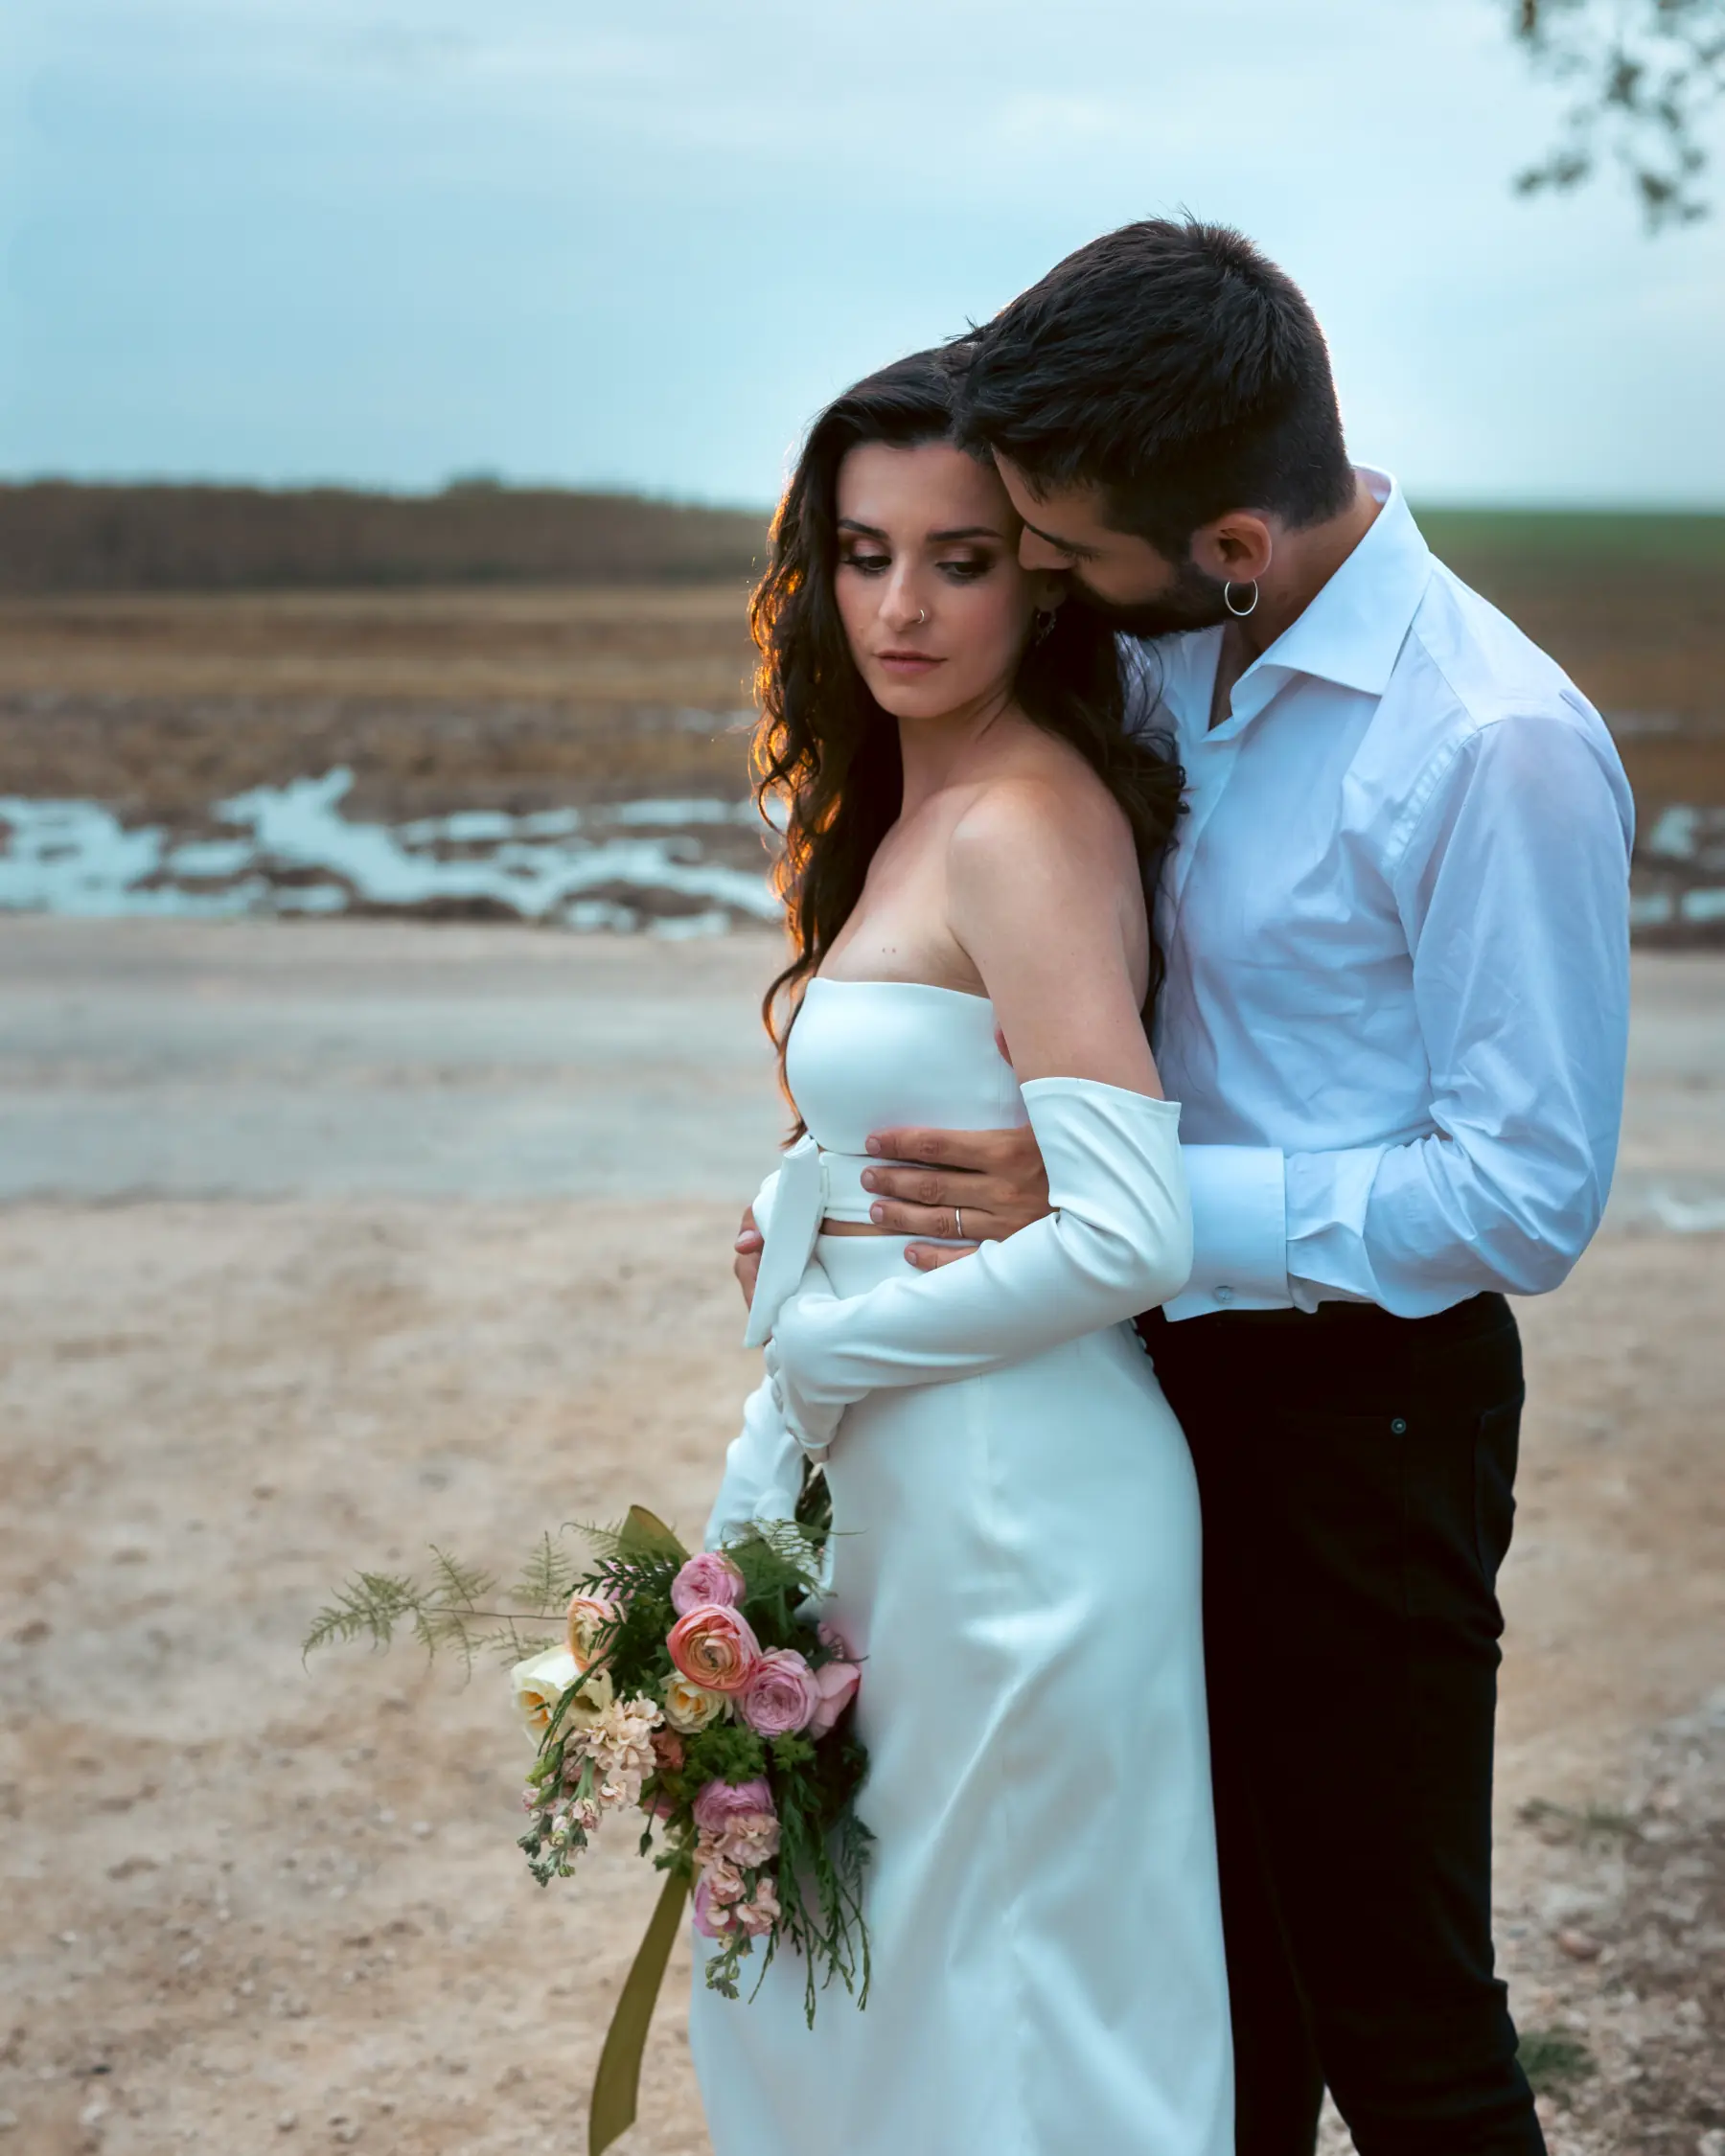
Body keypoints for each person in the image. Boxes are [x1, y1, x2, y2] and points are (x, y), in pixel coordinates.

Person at [733, 219, 1634, 2154]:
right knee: (1207, 1989)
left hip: (1361, 1414)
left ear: (1230, 540)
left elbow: (1524, 1192)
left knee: (1394, 1994)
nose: (1046, 581)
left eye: (1061, 552)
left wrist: (1117, 1200)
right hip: (1119, 1379)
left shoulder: (1494, 746)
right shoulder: (1163, 665)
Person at [690, 350, 1234, 2155]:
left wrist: (831, 1352)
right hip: (907, 1486)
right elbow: (931, 1112)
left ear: (1046, 581)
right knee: (853, 1988)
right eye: (863, 556)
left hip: (1018, 1509)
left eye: (961, 560)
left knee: (1009, 2018)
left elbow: (1133, 1228)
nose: (901, 607)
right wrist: (803, 1217)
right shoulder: (917, 808)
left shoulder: (1023, 821)